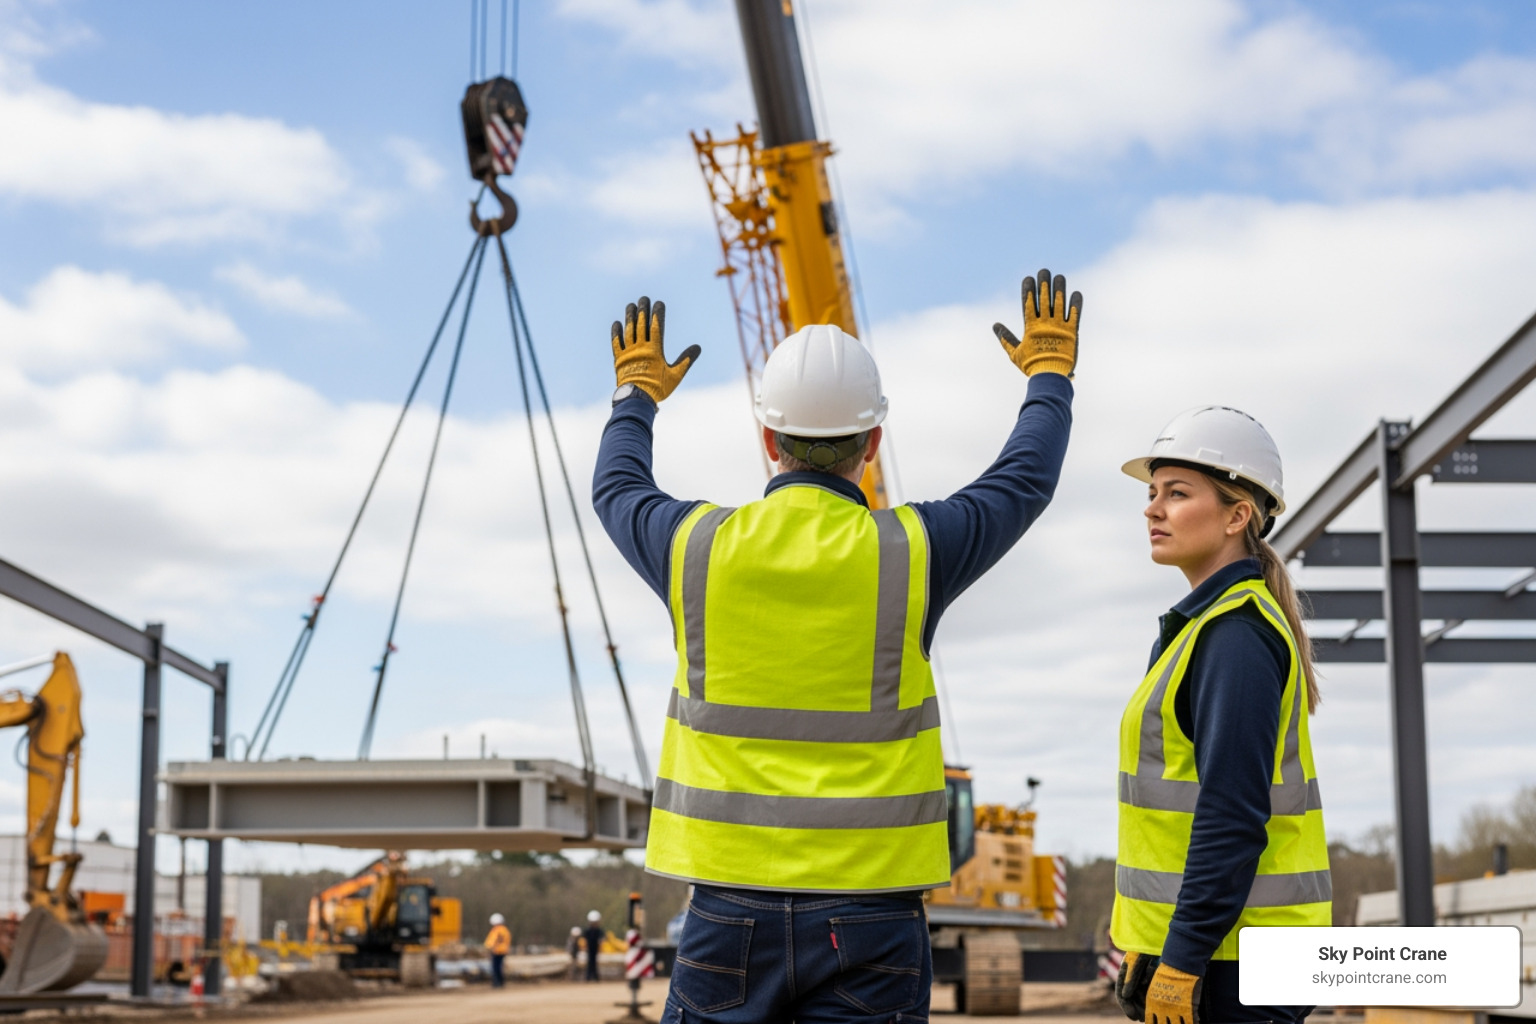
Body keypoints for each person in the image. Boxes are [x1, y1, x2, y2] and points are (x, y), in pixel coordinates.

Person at [592, 271, 1081, 1023]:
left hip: (728, 907)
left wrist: (636, 399)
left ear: (769, 440)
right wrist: (1049, 379)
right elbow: (1023, 483)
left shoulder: (694, 547)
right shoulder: (915, 550)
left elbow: (617, 487)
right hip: (872, 913)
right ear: (873, 443)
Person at [1112, 407, 1331, 1024]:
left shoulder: (1234, 637)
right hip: (1223, 952)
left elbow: (1231, 815)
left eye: (1177, 494)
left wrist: (1182, 956)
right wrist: (1149, 941)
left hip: (1233, 962)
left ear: (1237, 517)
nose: (1152, 510)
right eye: (1152, 494)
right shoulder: (1206, 628)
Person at [484, 912, 511, 989]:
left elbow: (492, 940)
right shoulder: (505, 930)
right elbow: (507, 940)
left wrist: (487, 947)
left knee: (495, 967)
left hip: (496, 950)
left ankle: (496, 983)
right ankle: (501, 982)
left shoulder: (496, 930)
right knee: (500, 967)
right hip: (503, 950)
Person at [583, 910, 604, 983]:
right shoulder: (587, 931)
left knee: (594, 962)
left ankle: (595, 977)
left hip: (595, 948)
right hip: (589, 948)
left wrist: (600, 945)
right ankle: (588, 977)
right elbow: (584, 940)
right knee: (589, 962)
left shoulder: (599, 931)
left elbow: (601, 940)